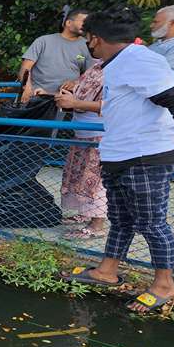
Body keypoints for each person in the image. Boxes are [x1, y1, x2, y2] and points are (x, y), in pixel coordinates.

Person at [63, 6, 174, 313]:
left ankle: (165, 283)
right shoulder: (121, 62)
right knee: (122, 220)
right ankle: (107, 271)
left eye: (88, 40)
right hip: (119, 154)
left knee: (152, 224)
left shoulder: (138, 59)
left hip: (147, 157)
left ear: (95, 40)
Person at [54, 60, 107, 240]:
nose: (90, 44)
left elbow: (112, 104)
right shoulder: (98, 65)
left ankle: (97, 224)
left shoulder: (121, 67)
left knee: (95, 179)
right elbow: (84, 88)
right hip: (83, 131)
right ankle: (85, 213)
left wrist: (74, 101)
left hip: (100, 133)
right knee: (79, 175)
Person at [19, 8, 92, 103]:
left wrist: (76, 83)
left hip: (68, 100)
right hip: (37, 98)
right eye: (83, 21)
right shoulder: (43, 41)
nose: (86, 25)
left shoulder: (88, 45)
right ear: (68, 23)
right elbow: (25, 68)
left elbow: (90, 76)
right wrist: (27, 87)